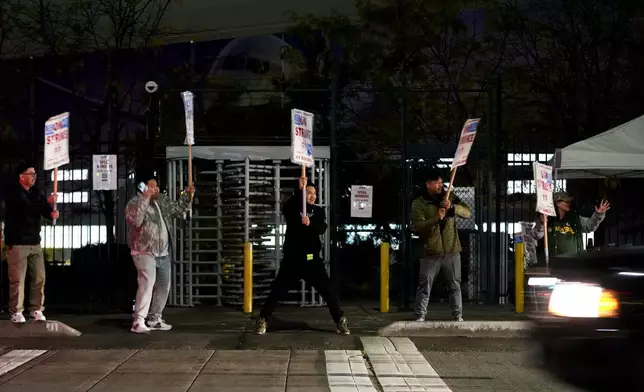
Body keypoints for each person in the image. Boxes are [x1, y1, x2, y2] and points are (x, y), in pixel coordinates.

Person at [255, 176, 350, 335]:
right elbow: (287, 209)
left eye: (315, 193)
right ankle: (263, 319)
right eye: (309, 193)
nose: (313, 196)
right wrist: (300, 190)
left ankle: (340, 320)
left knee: (328, 291)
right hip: (292, 260)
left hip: (312, 261)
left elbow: (321, 228)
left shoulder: (318, 211)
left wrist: (309, 223)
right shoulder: (293, 208)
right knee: (277, 291)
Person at [125, 174, 194, 333]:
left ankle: (154, 318)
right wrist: (145, 198)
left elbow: (178, 210)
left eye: (156, 186)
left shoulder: (161, 200)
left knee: (164, 286)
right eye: (151, 186)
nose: (154, 189)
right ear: (143, 188)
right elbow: (136, 221)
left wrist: (187, 195)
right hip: (143, 251)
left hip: (163, 253)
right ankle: (138, 321)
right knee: (147, 284)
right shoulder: (134, 202)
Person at [412, 169, 471, 322]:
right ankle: (420, 315)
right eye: (436, 182)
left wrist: (452, 207)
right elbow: (418, 226)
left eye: (441, 182)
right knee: (425, 284)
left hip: (451, 249)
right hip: (431, 250)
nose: (440, 185)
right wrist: (436, 218)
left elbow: (467, 212)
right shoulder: (420, 202)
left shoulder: (449, 197)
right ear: (428, 184)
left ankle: (458, 315)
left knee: (454, 284)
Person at [4, 162, 59, 323]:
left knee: (39, 277)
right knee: (17, 279)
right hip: (18, 242)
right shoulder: (15, 194)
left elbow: (42, 208)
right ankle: (16, 311)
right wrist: (44, 205)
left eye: (35, 174)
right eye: (31, 174)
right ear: (22, 177)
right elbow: (27, 208)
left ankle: (36, 309)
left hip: (35, 241)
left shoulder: (36, 192)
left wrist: (51, 212)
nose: (34, 177)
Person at [534, 192, 610, 256]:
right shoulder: (546, 219)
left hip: (575, 264)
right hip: (554, 265)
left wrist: (598, 214)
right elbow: (536, 235)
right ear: (557, 203)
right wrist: (541, 223)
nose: (569, 203)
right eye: (567, 202)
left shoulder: (575, 218)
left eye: (570, 202)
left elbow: (589, 227)